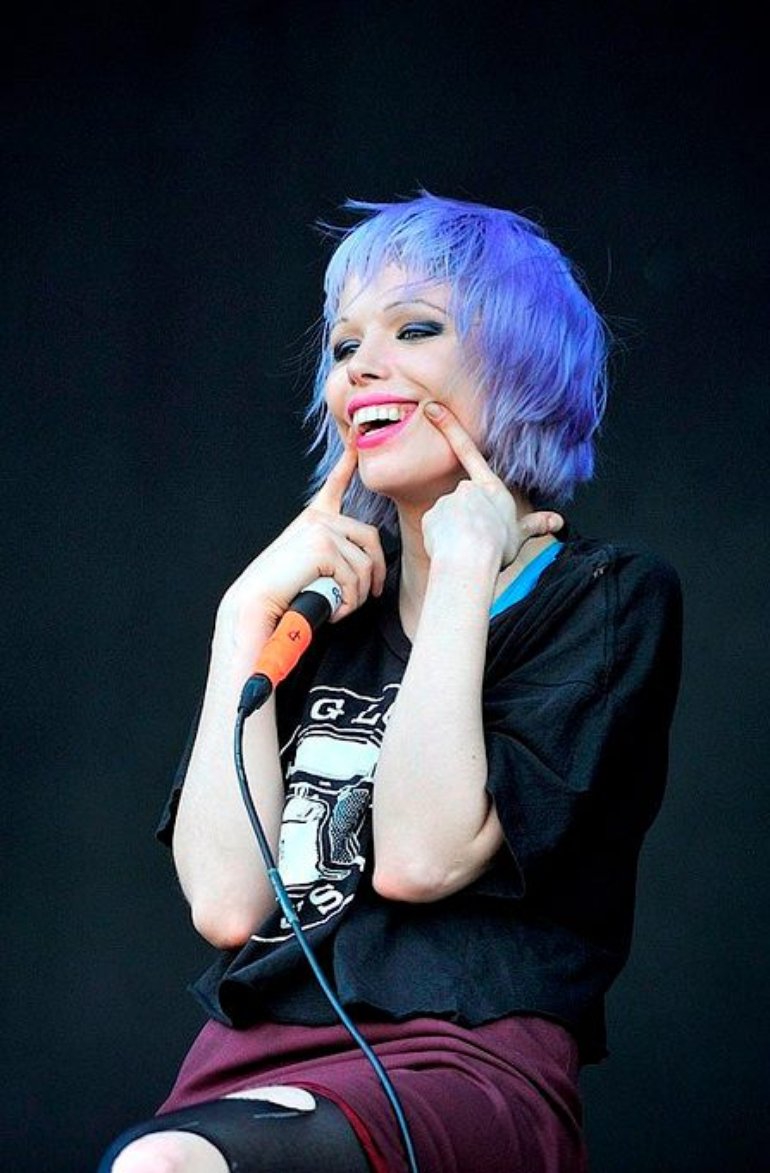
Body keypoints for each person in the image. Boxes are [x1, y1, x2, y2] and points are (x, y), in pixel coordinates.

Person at [99, 192, 682, 1173]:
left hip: (460, 1057)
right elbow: (229, 907)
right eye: (344, 346)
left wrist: (462, 571)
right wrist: (240, 619)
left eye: (414, 329)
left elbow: (419, 858)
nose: (361, 367)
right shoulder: (320, 620)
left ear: (524, 369)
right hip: (251, 1055)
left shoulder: (604, 598)